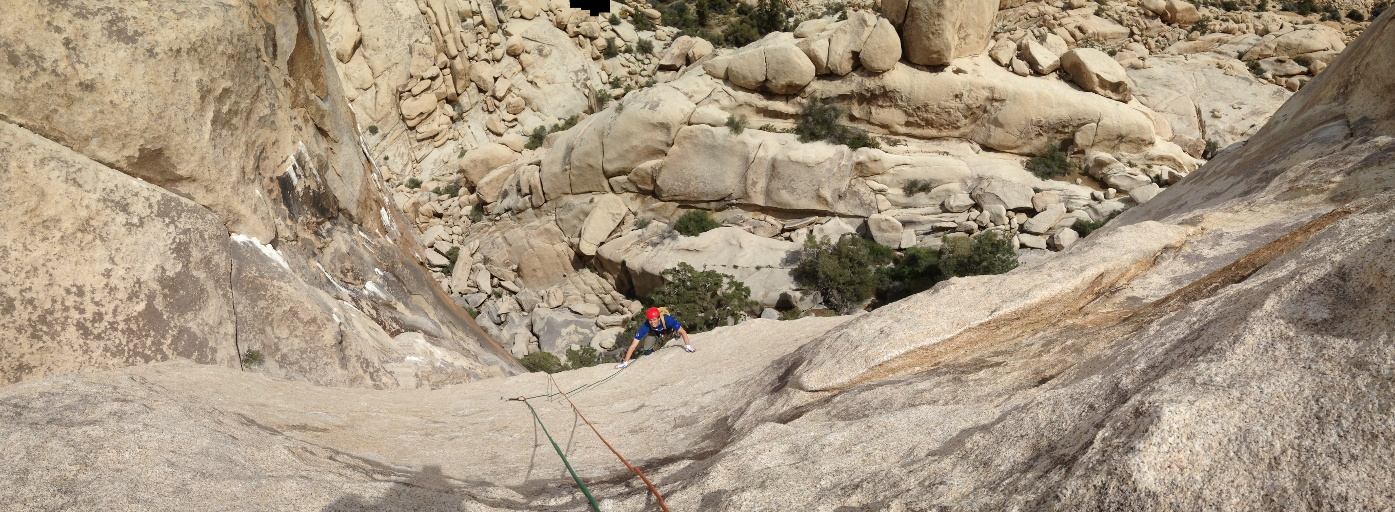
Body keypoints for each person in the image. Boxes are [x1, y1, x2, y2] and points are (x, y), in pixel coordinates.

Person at [615, 307, 695, 369]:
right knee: (647, 350)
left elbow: (683, 331)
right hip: (656, 333)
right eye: (650, 320)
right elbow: (633, 345)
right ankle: (656, 350)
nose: (652, 322)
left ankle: (674, 335)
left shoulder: (668, 319)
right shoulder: (646, 325)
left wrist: (688, 346)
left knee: (676, 332)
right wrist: (625, 363)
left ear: (658, 318)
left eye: (654, 320)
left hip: (669, 331)